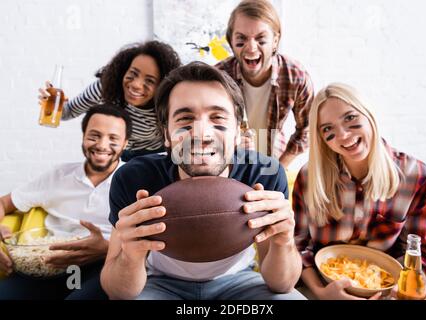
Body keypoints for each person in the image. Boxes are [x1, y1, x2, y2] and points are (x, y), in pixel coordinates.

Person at [100, 62, 305, 300]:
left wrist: (284, 242)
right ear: (166, 134)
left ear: (238, 131)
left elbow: (282, 285)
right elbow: (117, 293)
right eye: (185, 121)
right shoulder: (135, 178)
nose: (201, 134)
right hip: (159, 285)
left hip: (239, 282)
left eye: (217, 119)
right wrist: (130, 255)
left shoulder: (263, 174)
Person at [292, 83, 426, 300]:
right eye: (328, 129)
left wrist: (406, 290)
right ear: (321, 139)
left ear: (368, 114)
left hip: (386, 291)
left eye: (350, 118)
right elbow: (298, 245)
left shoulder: (416, 176)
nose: (343, 135)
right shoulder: (309, 177)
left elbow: (416, 250)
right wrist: (322, 293)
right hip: (321, 288)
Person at [0, 104, 131, 300]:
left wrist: (107, 247)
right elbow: (4, 203)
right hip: (47, 262)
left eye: (113, 138)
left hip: (103, 264)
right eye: (94, 135)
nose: (102, 145)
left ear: (125, 143)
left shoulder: (134, 179)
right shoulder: (59, 176)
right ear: (83, 137)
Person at [38, 41, 181, 161]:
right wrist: (52, 106)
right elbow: (67, 113)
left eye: (149, 81)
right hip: (116, 153)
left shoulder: (167, 103)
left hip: (154, 154)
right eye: (133, 73)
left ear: (161, 85)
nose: (136, 85)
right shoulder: (105, 88)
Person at [216, 0, 314, 169]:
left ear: (275, 40)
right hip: (230, 167)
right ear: (231, 41)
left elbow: (308, 128)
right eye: (241, 39)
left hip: (273, 162)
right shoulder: (218, 78)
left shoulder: (295, 76)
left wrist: (279, 168)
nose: (251, 48)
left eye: (261, 39)